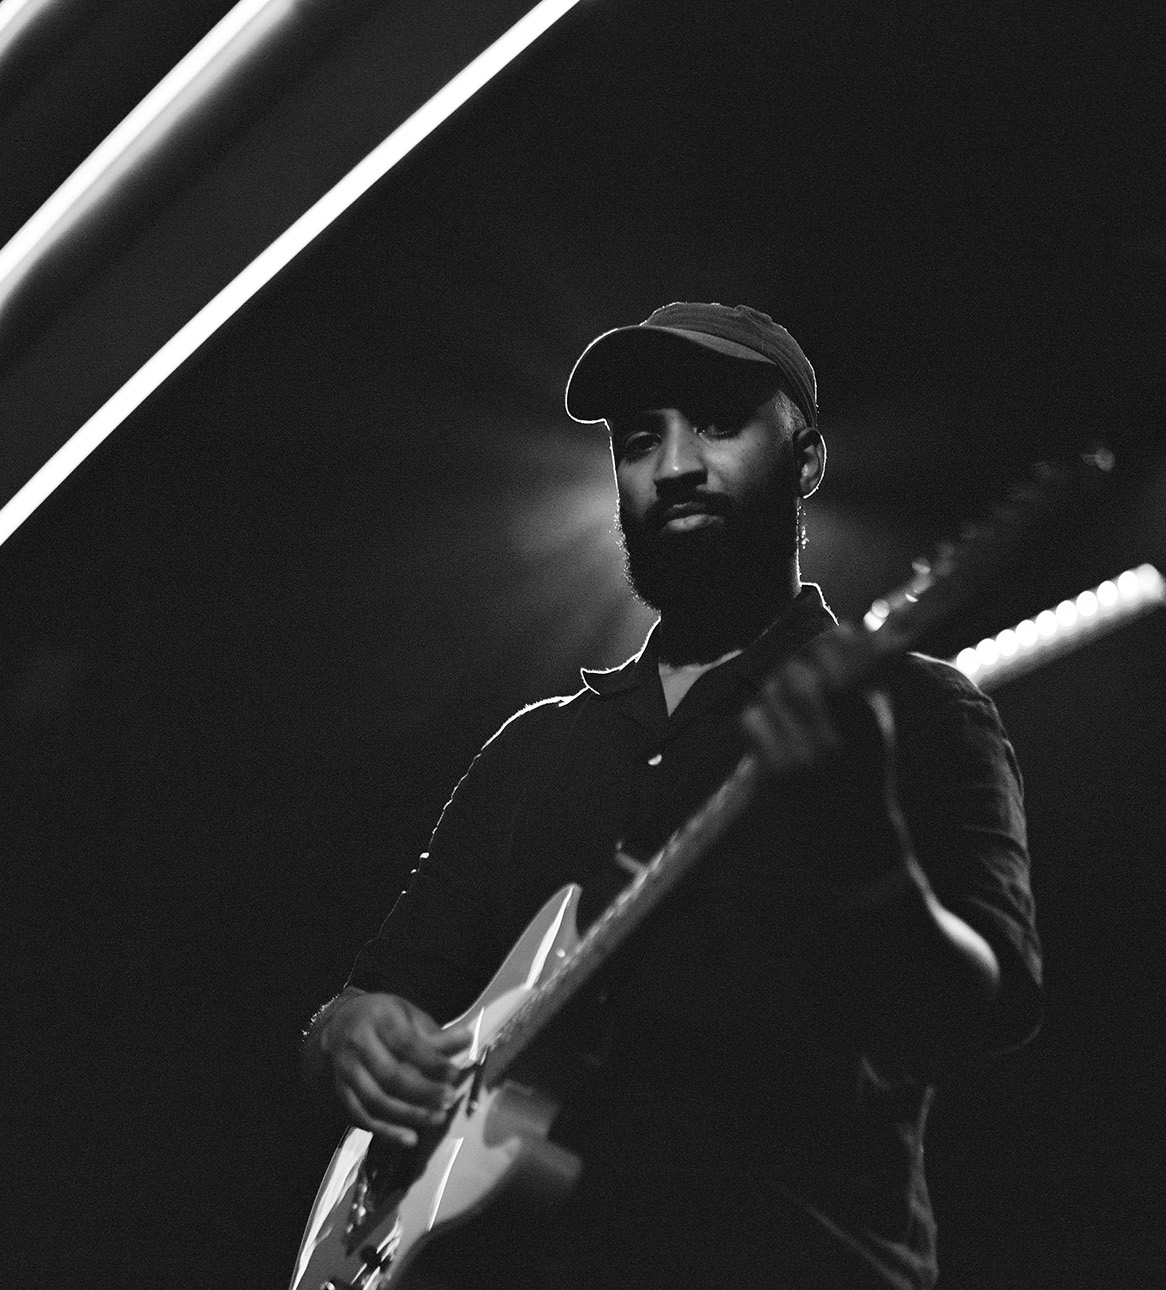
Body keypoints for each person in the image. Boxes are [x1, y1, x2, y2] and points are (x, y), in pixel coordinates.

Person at [300, 302, 1042, 1289]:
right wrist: (344, 1038)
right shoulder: (533, 749)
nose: (674, 465)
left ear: (808, 462)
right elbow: (378, 994)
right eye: (641, 439)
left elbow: (971, 1015)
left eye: (718, 424)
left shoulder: (913, 708)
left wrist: (868, 846)